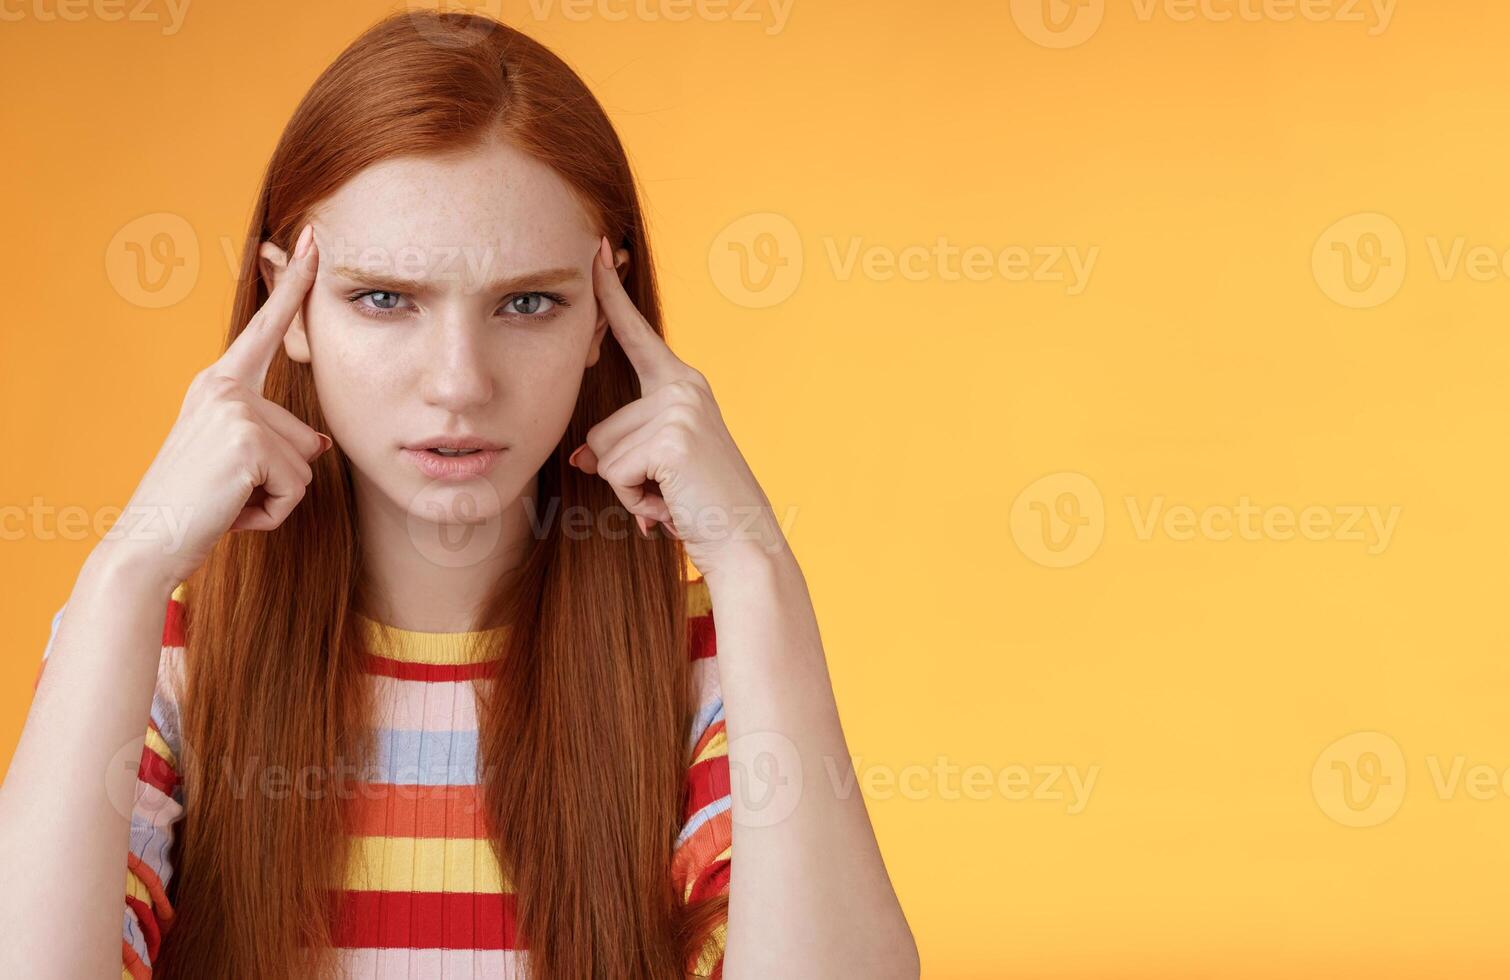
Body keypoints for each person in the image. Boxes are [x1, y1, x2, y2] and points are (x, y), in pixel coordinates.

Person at [0, 11, 918, 979]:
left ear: (605, 318)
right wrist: (126, 570)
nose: (458, 382)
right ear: (290, 310)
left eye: (527, 302)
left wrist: (756, 563)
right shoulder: (150, 650)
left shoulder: (712, 658)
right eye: (385, 298)